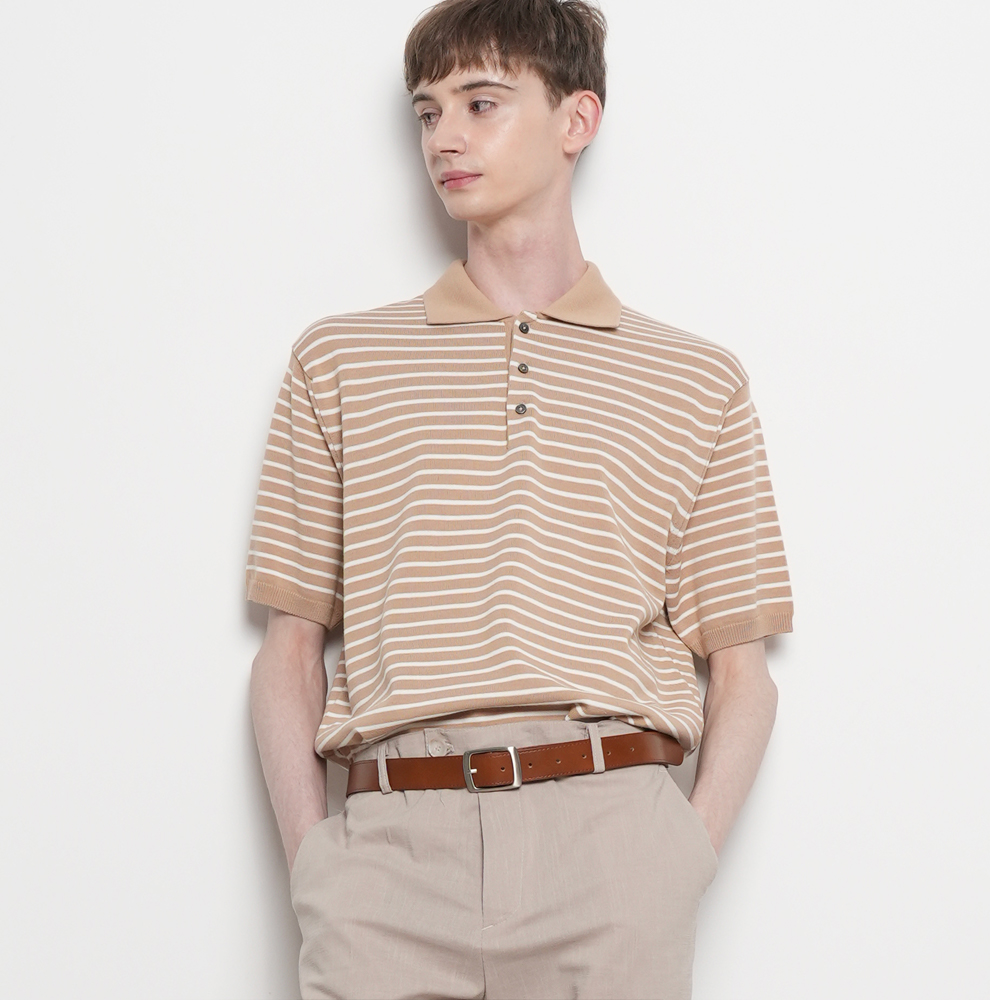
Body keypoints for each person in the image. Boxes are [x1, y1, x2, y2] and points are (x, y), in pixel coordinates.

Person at [246, 1, 794, 997]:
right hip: (388, 852)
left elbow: (742, 673)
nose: (443, 137)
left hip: (610, 845)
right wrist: (315, 865)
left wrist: (680, 860)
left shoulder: (696, 381)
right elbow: (289, 649)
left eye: (481, 102)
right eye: (426, 112)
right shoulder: (339, 362)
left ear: (576, 119)